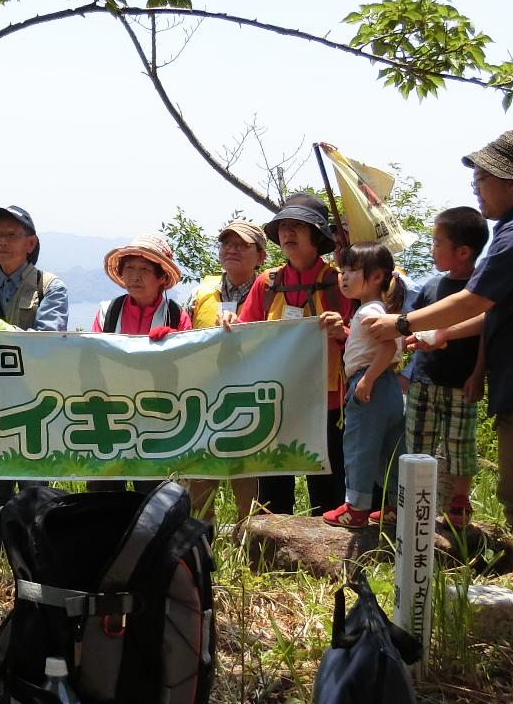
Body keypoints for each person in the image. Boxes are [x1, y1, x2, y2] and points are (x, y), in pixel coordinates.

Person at [371, 132, 513, 576]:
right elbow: (493, 311)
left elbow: (475, 298)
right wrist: (442, 333)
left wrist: (402, 323)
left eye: (482, 177)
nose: (476, 186)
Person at [230, 194, 352, 516]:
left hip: (326, 401)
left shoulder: (338, 282)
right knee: (273, 489)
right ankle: (271, 555)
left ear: (317, 235)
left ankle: (327, 557)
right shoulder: (267, 282)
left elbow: (365, 342)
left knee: (327, 488)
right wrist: (229, 324)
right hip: (275, 399)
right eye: (283, 226)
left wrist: (343, 333)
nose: (288, 233)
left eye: (298, 226)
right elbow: (246, 333)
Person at [0, 204, 69, 528]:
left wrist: (11, 336)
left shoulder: (50, 288)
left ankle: (37, 566)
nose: (2, 242)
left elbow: (48, 342)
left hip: (36, 408)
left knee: (37, 497)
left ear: (31, 243)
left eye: (11, 235)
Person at [402, 206, 488, 529]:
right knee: (418, 440)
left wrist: (479, 374)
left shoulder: (481, 291)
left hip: (460, 381)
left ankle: (459, 500)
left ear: (463, 251)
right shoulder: (431, 287)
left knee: (459, 444)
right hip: (424, 379)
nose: (432, 250)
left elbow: (487, 337)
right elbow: (417, 329)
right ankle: (416, 501)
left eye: (438, 243)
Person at [88, 233, 187, 494]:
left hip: (158, 418)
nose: (135, 276)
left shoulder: (176, 316)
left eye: (144, 269)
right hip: (110, 415)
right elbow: (91, 356)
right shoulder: (107, 312)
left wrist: (173, 343)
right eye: (129, 268)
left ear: (161, 277)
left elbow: (190, 365)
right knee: (104, 493)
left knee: (153, 495)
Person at [185, 217, 269, 520]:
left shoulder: (271, 292)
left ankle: (250, 557)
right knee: (198, 490)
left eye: (242, 245)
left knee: (251, 493)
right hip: (205, 402)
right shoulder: (200, 294)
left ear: (260, 256)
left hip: (252, 404)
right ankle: (201, 557)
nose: (231, 250)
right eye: (227, 243)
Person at [323, 242, 404, 530]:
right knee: (390, 449)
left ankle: (356, 507)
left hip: (370, 383)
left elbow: (390, 345)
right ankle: (396, 505)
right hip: (390, 387)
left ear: (376, 277)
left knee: (359, 446)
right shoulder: (377, 308)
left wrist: (367, 379)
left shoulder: (369, 311)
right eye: (343, 269)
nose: (343, 276)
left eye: (353, 270)